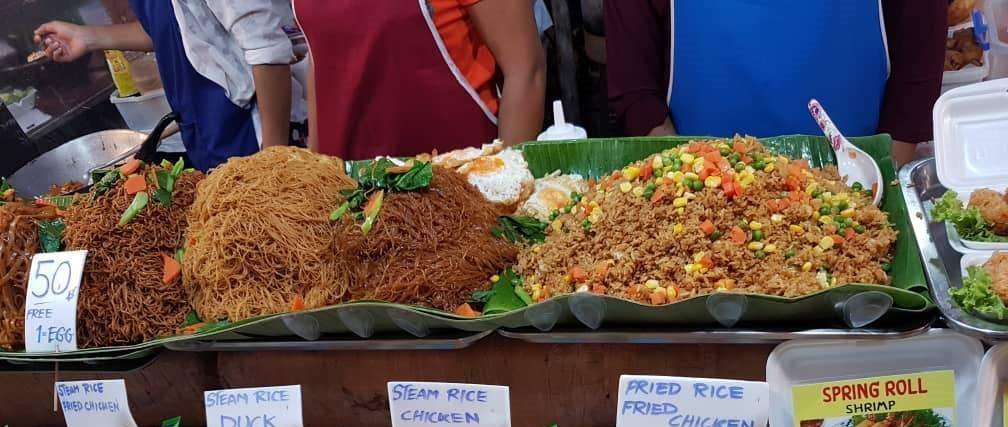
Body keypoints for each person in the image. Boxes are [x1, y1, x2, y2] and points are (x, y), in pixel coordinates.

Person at [606, 0, 947, 165]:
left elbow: (915, 82)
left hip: (857, 189)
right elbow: (637, 94)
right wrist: (687, 186)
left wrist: (879, 184)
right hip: (702, 201)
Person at [34, 1, 295, 171]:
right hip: (207, 130)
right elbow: (172, 29)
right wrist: (86, 37)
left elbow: (267, 49)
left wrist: (274, 161)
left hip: (254, 129)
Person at [294, 0, 547, 159]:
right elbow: (322, 56)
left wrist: (506, 192)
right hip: (349, 194)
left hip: (460, 190)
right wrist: (317, 169)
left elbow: (526, 69)